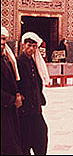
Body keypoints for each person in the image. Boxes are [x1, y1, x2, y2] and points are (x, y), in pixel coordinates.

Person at [17, 32, 50, 155]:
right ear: (23, 45)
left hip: (35, 108)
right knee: (25, 141)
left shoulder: (33, 62)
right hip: (25, 111)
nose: (31, 48)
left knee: (41, 135)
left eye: (34, 46)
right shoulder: (19, 61)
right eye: (29, 45)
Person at [1, 26, 23, 155]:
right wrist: (13, 100)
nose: (2, 42)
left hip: (8, 111)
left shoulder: (6, 59)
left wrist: (17, 95)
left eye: (3, 39)